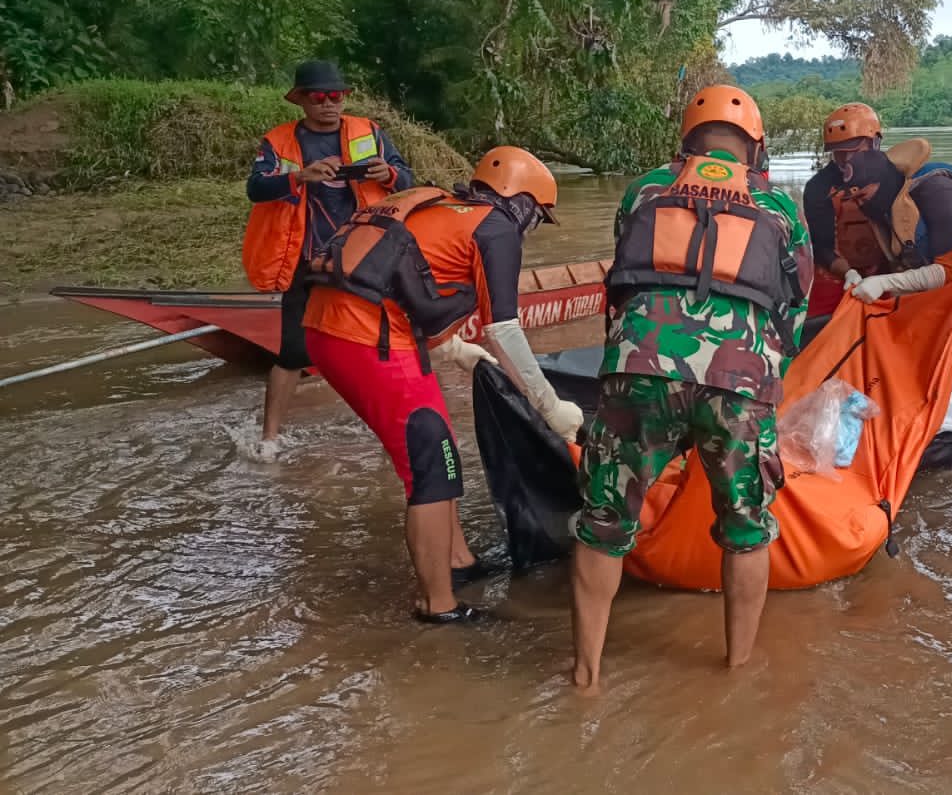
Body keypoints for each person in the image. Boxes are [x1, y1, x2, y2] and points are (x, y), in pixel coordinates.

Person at [570, 85, 812, 690]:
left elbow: (621, 280)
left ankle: (585, 676)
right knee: (747, 528)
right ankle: (736, 674)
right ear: (757, 147)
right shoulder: (780, 206)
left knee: (604, 523)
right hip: (738, 379)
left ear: (686, 142)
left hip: (636, 370)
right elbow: (796, 312)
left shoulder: (644, 189)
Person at [300, 146, 583, 623]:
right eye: (537, 216)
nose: (532, 228)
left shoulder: (440, 206)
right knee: (430, 463)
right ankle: (438, 604)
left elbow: (406, 278)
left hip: (332, 326)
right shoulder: (495, 229)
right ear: (523, 202)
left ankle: (458, 563)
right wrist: (550, 407)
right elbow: (504, 331)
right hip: (368, 337)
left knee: (441, 446)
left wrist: (455, 350)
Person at [802, 102, 952, 459]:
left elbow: (948, 269)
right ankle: (905, 434)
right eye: (837, 154)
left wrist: (883, 282)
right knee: (909, 351)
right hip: (928, 264)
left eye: (852, 150)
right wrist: (855, 274)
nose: (844, 163)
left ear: (875, 144)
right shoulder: (857, 194)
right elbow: (839, 250)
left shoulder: (933, 188)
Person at [244, 60, 414, 455]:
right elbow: (256, 188)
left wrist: (386, 174)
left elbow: (407, 179)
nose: (329, 104)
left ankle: (390, 426)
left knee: (377, 341)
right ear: (301, 100)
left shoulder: (369, 132)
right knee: (291, 352)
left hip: (362, 255)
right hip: (305, 260)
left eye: (336, 96)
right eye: (319, 97)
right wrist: (300, 177)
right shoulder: (278, 142)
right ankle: (269, 440)